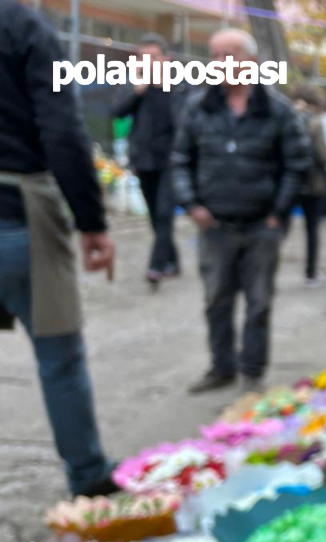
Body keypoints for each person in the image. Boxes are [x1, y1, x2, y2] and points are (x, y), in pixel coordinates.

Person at [0, 0, 117, 496]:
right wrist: (91, 223)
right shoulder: (21, 23)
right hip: (17, 212)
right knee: (60, 358)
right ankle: (89, 480)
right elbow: (62, 130)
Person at [170, 28, 311, 394]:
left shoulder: (277, 110)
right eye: (214, 55)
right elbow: (180, 160)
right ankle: (221, 367)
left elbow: (297, 164)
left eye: (227, 55)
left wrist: (278, 213)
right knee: (216, 300)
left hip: (262, 224)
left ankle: (252, 373)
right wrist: (192, 204)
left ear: (250, 61)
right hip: (214, 224)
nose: (218, 63)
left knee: (259, 302)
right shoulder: (198, 107)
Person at [111, 33, 188, 290]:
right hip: (144, 159)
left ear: (166, 59)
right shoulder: (135, 86)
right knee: (156, 215)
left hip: (173, 160)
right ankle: (173, 260)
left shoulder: (180, 86)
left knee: (165, 213)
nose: (148, 62)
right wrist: (137, 91)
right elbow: (116, 111)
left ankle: (156, 266)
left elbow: (188, 121)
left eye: (153, 57)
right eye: (143, 58)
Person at [291, 88, 326, 286]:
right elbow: (324, 156)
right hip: (313, 183)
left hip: (291, 182)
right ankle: (311, 272)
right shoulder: (317, 123)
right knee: (312, 229)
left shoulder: (287, 120)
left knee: (279, 226)